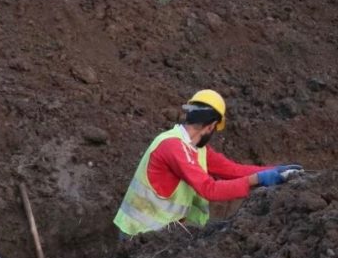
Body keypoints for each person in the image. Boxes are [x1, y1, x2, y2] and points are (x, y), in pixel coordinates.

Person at [114, 89, 302, 238]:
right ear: (211, 126)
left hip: (159, 233)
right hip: (139, 233)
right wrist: (259, 179)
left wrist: (274, 171)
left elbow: (232, 170)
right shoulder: (173, 146)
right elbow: (209, 189)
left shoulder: (196, 149)